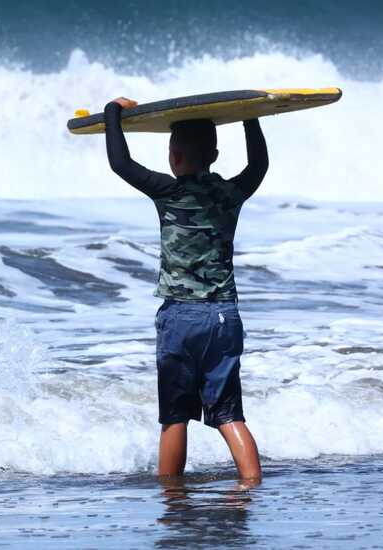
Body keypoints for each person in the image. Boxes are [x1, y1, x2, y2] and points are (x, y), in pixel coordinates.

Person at [104, 97, 267, 481]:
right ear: (214, 153)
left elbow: (120, 164)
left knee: (175, 416)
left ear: (173, 157)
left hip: (180, 317)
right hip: (225, 315)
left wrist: (113, 112)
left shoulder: (169, 192)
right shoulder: (231, 194)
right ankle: (252, 485)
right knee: (229, 413)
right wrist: (250, 119)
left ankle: (172, 495)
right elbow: (258, 165)